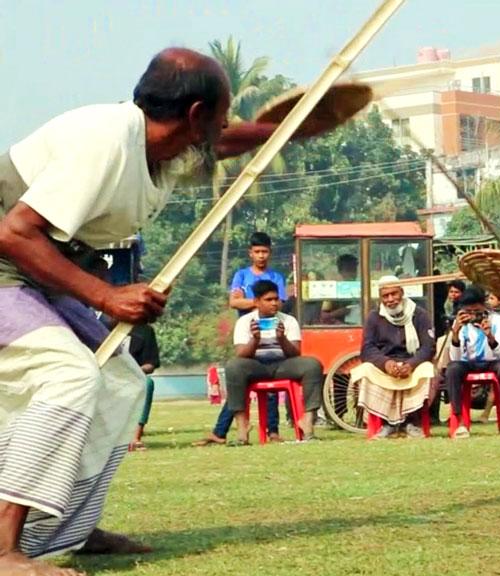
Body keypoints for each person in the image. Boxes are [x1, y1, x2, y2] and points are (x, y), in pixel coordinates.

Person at [0, 46, 311, 572]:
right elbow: (13, 232)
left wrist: (288, 129)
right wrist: (106, 295)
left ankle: (63, 525)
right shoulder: (103, 142)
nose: (228, 123)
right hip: (11, 260)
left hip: (40, 272)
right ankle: (4, 547)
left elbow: (226, 142)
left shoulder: (164, 146)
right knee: (67, 374)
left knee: (122, 380)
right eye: (223, 112)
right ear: (194, 116)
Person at [197, 232, 290, 446]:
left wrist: (250, 301)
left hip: (272, 337)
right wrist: (261, 303)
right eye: (257, 251)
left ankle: (272, 431)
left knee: (271, 386)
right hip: (246, 336)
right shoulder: (241, 275)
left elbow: (279, 305)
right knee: (238, 382)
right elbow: (233, 303)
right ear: (250, 253)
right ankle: (221, 431)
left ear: (270, 253)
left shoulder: (277, 277)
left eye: (264, 251)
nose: (261, 255)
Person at [225, 280, 324, 444]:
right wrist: (255, 340)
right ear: (257, 302)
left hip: (283, 365)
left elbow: (295, 353)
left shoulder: (288, 320)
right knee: (233, 366)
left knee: (312, 364)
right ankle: (243, 427)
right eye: (268, 300)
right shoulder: (245, 322)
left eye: (276, 299)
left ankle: (307, 421)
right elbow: (241, 354)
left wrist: (282, 338)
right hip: (256, 365)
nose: (274, 303)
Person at [351, 277, 436, 438]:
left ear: (402, 293)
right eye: (385, 296)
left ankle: (411, 422)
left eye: (394, 294)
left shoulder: (420, 314)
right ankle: (386, 423)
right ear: (381, 298)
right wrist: (386, 363)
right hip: (385, 364)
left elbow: (428, 347)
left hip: (412, 363)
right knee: (365, 369)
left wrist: (411, 364)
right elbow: (367, 349)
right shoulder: (374, 317)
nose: (390, 300)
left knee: (427, 369)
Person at [445, 285, 500, 439]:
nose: (473, 316)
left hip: (491, 361)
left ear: (485, 307)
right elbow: (455, 358)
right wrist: (456, 334)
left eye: (477, 312)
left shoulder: (497, 320)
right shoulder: (459, 322)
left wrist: (489, 336)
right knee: (452, 369)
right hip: (468, 363)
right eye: (468, 312)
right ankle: (459, 422)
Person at [128, 323, 161, 451]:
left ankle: (135, 438)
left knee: (148, 383)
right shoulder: (100, 324)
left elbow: (150, 364)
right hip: (105, 374)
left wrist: (134, 371)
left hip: (133, 375)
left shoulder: (145, 330)